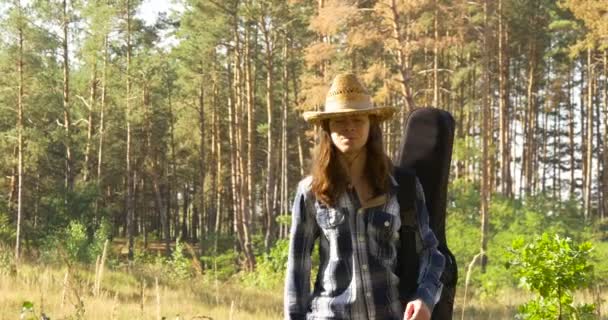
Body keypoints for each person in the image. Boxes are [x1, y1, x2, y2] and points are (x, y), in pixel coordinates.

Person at [284, 73, 445, 320]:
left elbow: (431, 252)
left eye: (358, 119)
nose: (349, 127)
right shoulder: (311, 191)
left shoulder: (401, 186)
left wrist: (424, 297)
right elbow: (297, 270)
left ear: (371, 125)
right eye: (339, 120)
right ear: (327, 128)